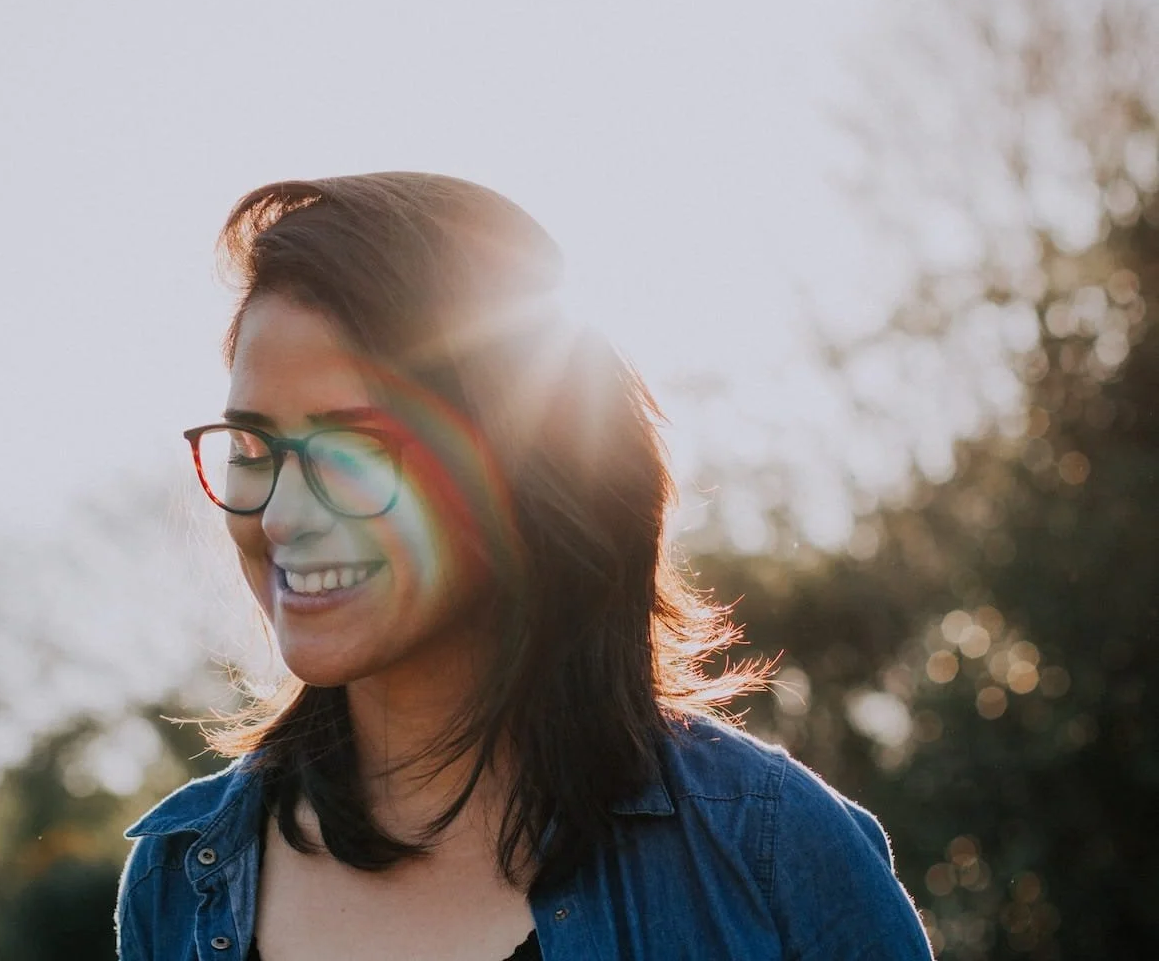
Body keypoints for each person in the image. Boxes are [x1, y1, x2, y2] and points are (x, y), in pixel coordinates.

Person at [115, 172, 933, 960]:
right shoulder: (179, 883)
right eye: (253, 446)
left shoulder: (770, 852)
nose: (282, 513)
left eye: (353, 447)